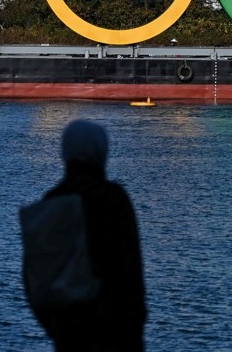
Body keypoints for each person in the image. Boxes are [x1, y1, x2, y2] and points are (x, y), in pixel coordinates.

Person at [28, 119, 147, 351]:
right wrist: (133, 329)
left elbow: (36, 281)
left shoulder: (52, 202)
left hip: (69, 337)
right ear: (101, 151)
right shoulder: (113, 198)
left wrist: (58, 331)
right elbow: (130, 270)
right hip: (117, 335)